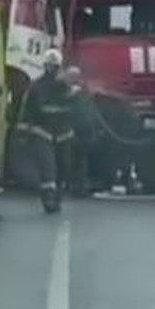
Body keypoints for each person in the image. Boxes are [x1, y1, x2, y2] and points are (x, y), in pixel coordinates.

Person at [15, 48, 74, 213]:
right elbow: (27, 110)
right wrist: (22, 132)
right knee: (48, 167)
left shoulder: (65, 88)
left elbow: (75, 109)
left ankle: (57, 195)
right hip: (42, 132)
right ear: (45, 66)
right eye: (50, 65)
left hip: (63, 134)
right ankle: (48, 199)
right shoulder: (36, 87)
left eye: (55, 66)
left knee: (63, 166)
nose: (52, 69)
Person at [63, 66, 94, 198]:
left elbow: (70, 113)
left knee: (72, 159)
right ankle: (81, 187)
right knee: (81, 160)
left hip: (74, 131)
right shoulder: (85, 94)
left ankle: (73, 186)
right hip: (84, 131)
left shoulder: (70, 94)